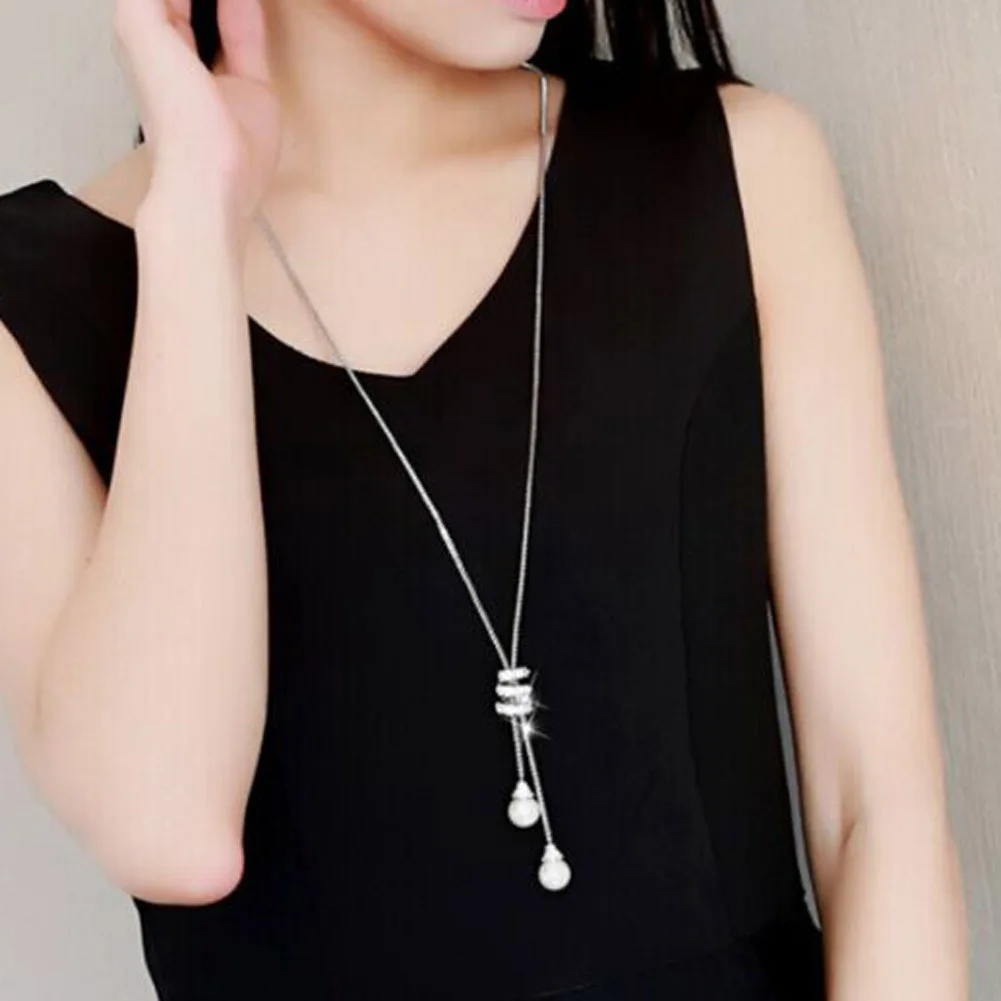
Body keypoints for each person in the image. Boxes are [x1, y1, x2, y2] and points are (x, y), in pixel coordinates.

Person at [0, 0, 968, 998]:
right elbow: (173, 832)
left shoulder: (735, 168)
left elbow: (876, 811)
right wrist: (194, 225)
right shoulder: (35, 304)